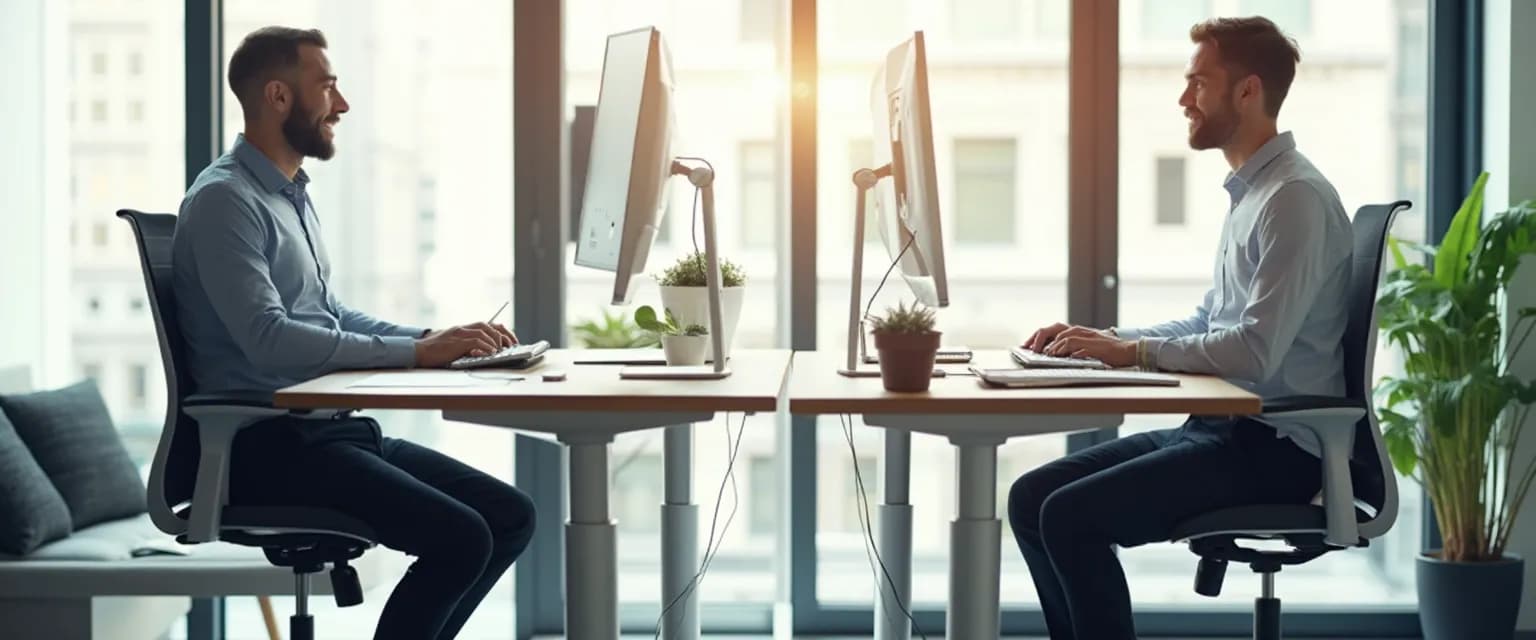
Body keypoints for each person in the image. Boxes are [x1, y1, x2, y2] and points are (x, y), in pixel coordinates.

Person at [172, 26, 534, 640]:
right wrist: (416, 353)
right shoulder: (225, 201)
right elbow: (269, 338)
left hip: (325, 433)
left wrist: (435, 340)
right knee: (461, 538)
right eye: (328, 86)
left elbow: (328, 314)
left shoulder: (288, 195)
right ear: (279, 96)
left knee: (510, 515)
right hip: (264, 448)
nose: (340, 104)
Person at [1008, 17, 1352, 640]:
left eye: (1198, 82)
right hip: (1222, 430)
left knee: (1070, 518)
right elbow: (1209, 322)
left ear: (1247, 90)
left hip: (1275, 451)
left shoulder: (1293, 198)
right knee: (1032, 499)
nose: (1183, 98)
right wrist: (1105, 343)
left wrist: (1135, 352)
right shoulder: (1254, 194)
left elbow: (1253, 353)